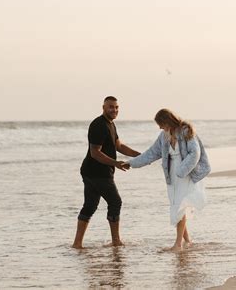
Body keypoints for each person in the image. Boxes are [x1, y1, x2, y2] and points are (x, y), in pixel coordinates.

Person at [126, 109, 211, 251]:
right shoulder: (163, 136)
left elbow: (195, 153)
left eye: (160, 124)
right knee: (176, 206)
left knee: (180, 206)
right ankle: (187, 241)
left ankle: (178, 244)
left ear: (167, 121)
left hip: (185, 174)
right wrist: (131, 163)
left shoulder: (186, 131)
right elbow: (151, 153)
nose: (159, 127)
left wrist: (182, 171)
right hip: (171, 176)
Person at [72, 96, 140, 249]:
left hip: (91, 172)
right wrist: (116, 163)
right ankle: (116, 241)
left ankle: (77, 244)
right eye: (110, 107)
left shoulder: (111, 124)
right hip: (97, 173)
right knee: (115, 202)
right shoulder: (98, 125)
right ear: (103, 107)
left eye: (116, 107)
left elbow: (119, 145)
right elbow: (95, 152)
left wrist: (140, 156)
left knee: (90, 206)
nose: (114, 110)